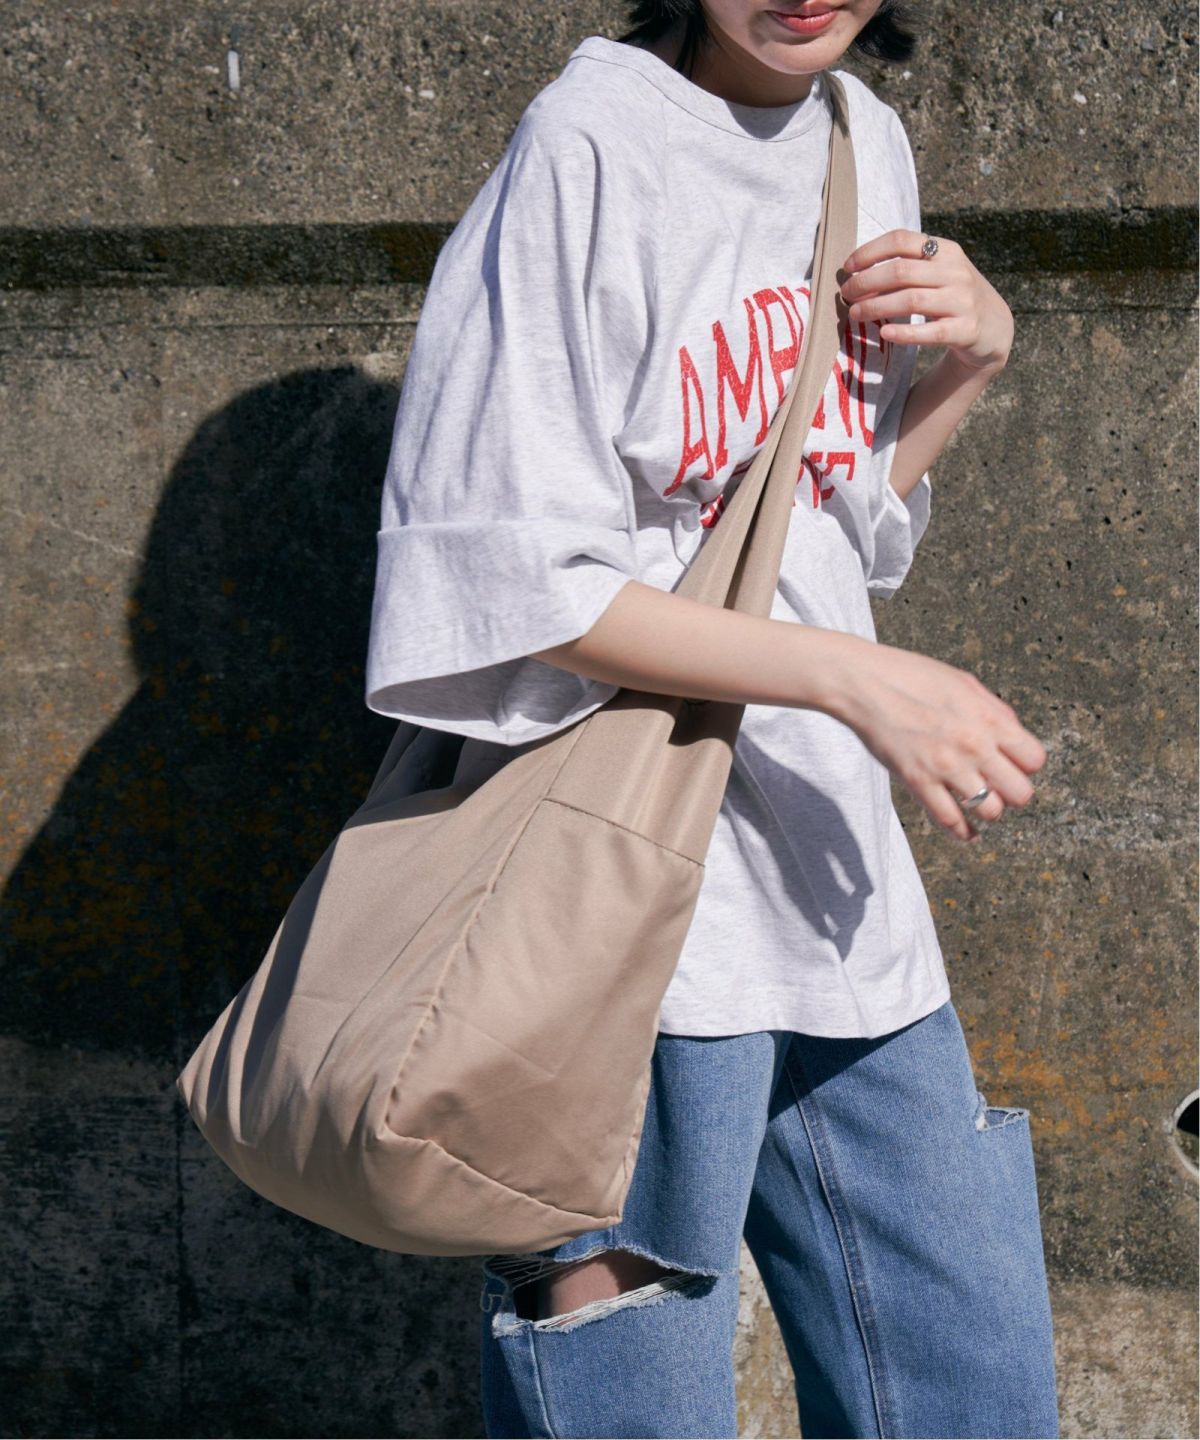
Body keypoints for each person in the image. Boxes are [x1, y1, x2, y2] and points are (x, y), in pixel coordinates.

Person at [365, 2, 1060, 1435]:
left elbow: (827, 525)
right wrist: (860, 681)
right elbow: (507, 581)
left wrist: (972, 363)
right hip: (625, 914)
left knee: (971, 1387)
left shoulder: (863, 140)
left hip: (838, 889)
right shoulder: (592, 146)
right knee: (639, 1400)